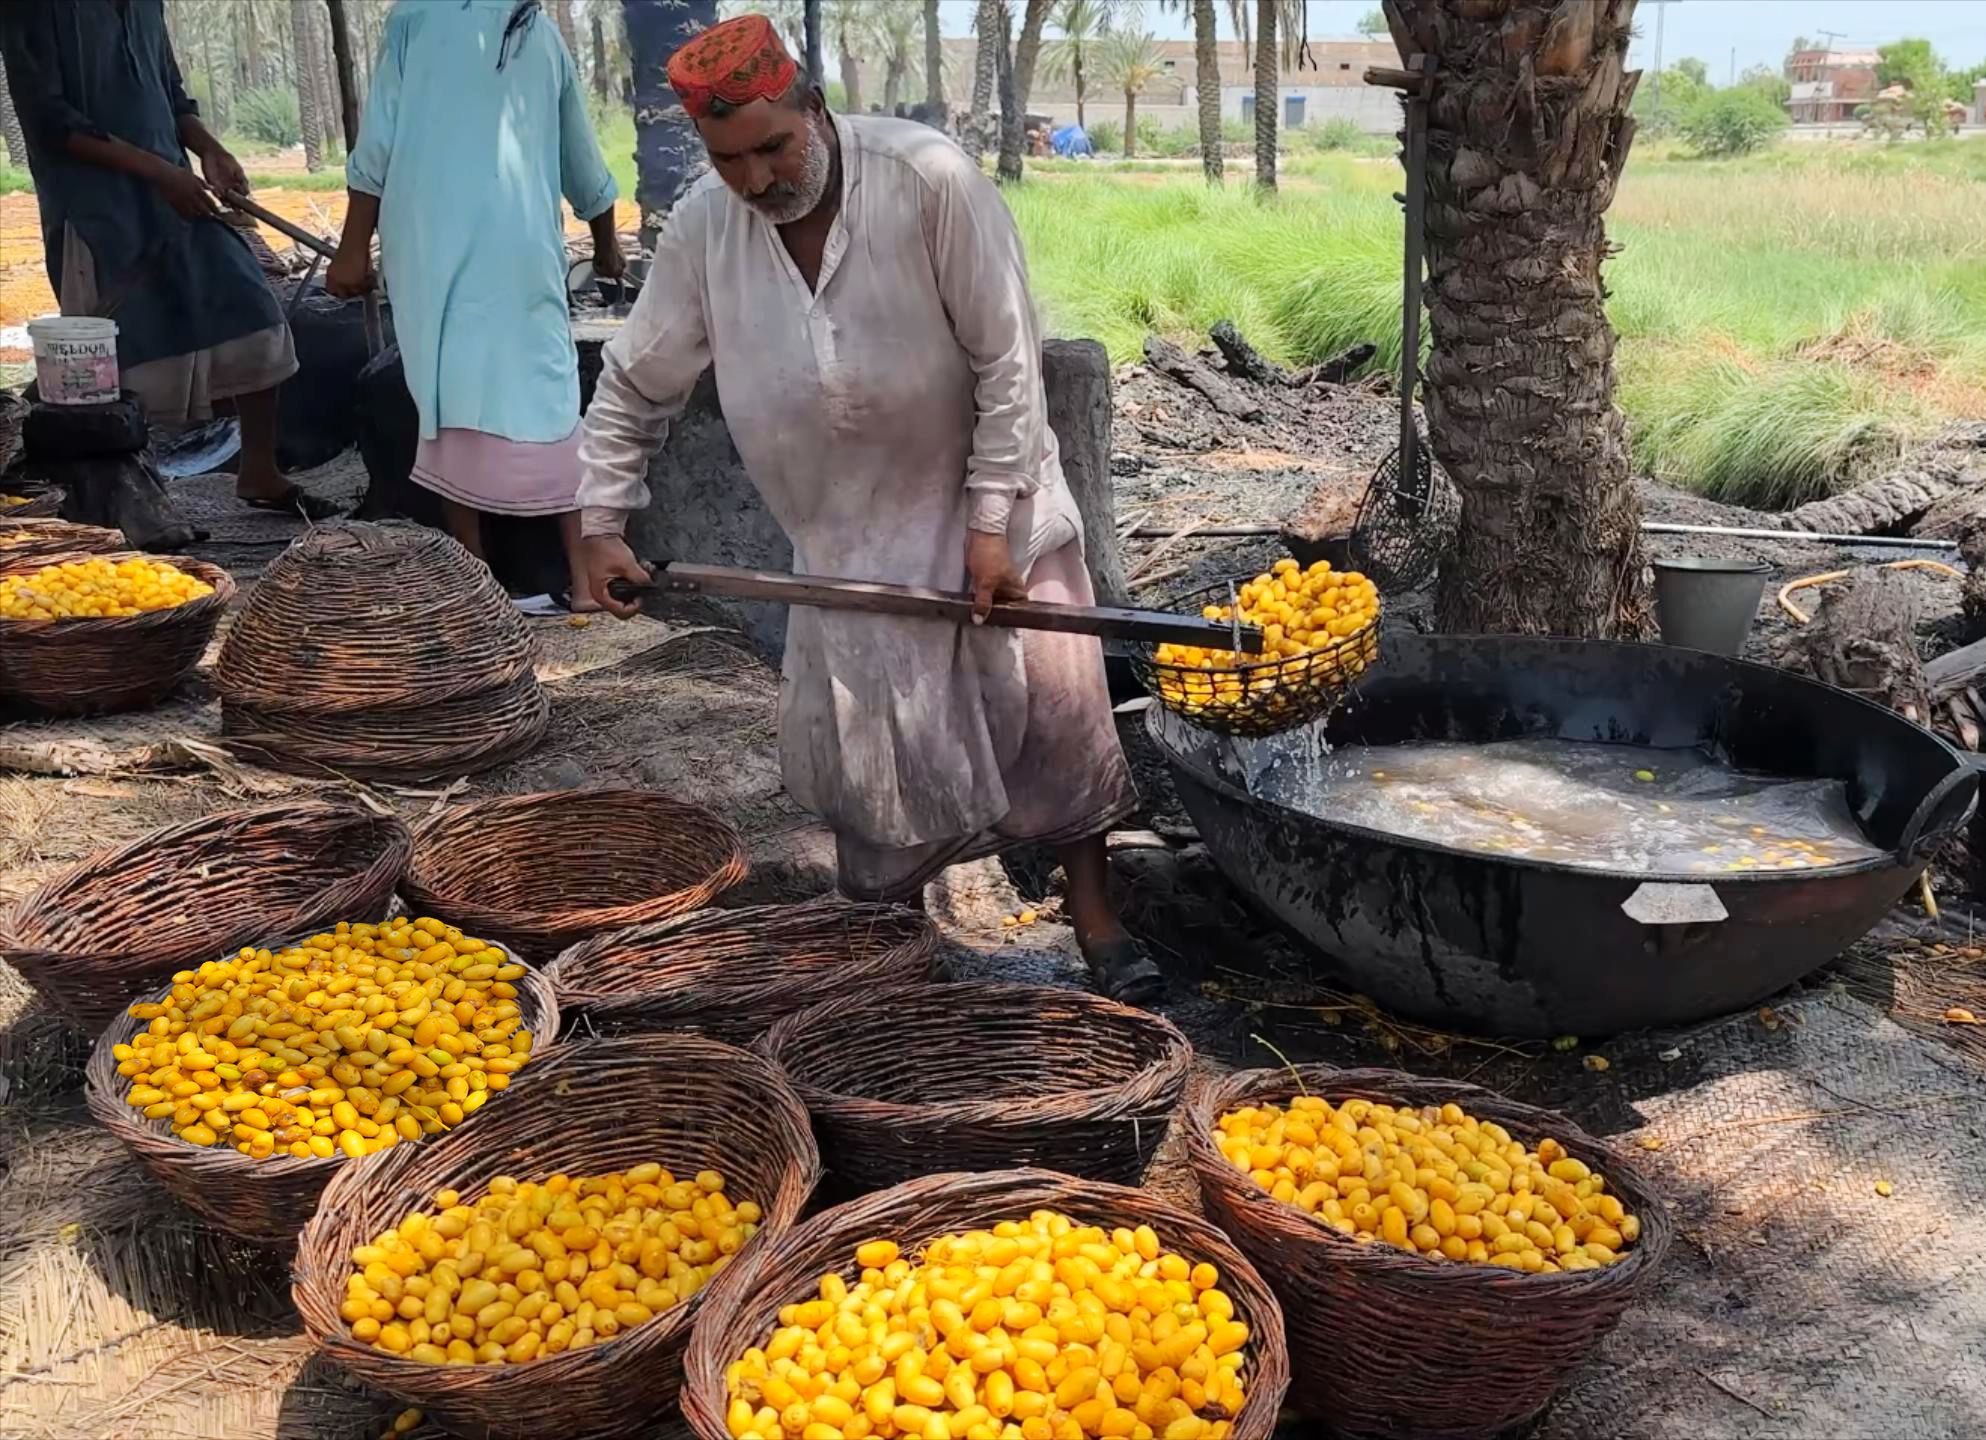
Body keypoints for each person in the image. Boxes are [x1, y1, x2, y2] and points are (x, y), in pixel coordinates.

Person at [575, 14, 1164, 1004]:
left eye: (774, 146)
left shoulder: (928, 179)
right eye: (731, 161)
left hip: (992, 500)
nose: (759, 180)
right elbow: (635, 382)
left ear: (816, 108)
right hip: (846, 540)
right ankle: (895, 956)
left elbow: (1008, 364)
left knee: (1058, 721)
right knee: (878, 766)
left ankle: (1097, 923)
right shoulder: (709, 231)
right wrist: (599, 521)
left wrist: (987, 527)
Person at [327, 0, 623, 608]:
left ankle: (477, 576)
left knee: (449, 387)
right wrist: (607, 247)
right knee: (549, 391)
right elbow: (584, 161)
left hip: (434, 246)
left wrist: (352, 249)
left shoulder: (420, 22)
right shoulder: (540, 36)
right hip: (524, 248)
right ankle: (579, 574)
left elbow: (376, 145)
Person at [0, 0, 333, 517]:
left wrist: (209, 149)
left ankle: (259, 471)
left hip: (178, 195)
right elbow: (52, 123)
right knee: (118, 359)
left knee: (252, 312)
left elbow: (171, 91)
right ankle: (126, 492)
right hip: (97, 211)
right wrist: (161, 175)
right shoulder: (31, 10)